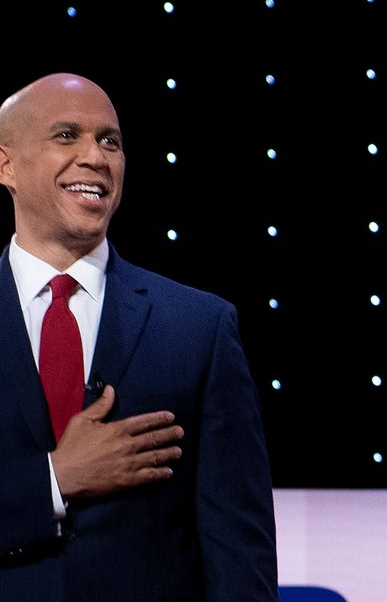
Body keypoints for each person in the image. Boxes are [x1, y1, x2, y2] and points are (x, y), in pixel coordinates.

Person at [0, 73, 278, 600]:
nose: (96, 157)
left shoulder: (198, 327)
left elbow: (240, 551)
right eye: (66, 136)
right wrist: (56, 479)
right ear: (6, 165)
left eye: (110, 141)